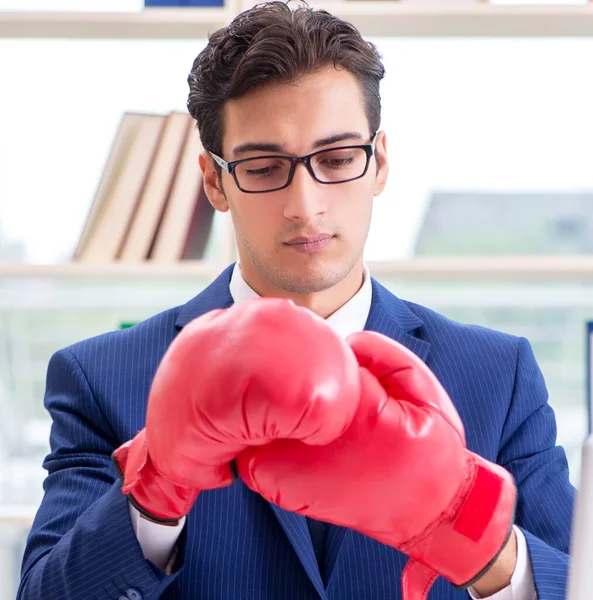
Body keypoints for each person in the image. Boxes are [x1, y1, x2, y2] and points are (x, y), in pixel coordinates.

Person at [18, 2, 574, 599]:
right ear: (215, 181)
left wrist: (481, 545)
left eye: (336, 160)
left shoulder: (498, 375)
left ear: (379, 162)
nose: (305, 205)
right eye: (263, 167)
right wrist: (154, 497)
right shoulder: (103, 377)